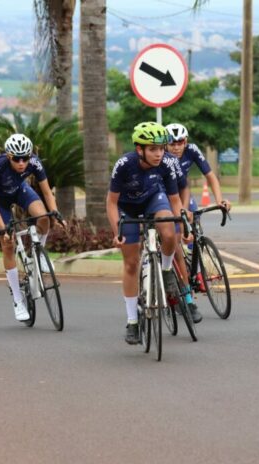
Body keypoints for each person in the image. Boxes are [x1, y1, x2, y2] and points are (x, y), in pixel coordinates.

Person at [106, 121, 191, 345]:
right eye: (153, 149)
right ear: (139, 149)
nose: (159, 153)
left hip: (154, 199)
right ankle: (132, 321)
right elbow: (111, 203)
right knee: (131, 263)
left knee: (169, 232)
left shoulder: (166, 164)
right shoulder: (124, 164)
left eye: (161, 148)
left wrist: (184, 227)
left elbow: (175, 201)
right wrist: (117, 232)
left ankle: (166, 270)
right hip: (126, 208)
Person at [0, 133, 61, 322]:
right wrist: (4, 230)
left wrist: (55, 212)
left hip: (20, 190)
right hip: (0, 202)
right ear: (8, 156)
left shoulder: (35, 162)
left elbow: (47, 192)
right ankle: (18, 300)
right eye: (16, 159)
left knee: (44, 218)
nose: (21, 163)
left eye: (25, 158)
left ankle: (39, 252)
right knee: (8, 244)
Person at [165, 122, 232, 322]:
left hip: (183, 193)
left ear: (186, 142)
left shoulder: (192, 150)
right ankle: (177, 265)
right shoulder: (162, 156)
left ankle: (196, 267)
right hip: (166, 195)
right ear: (165, 144)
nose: (176, 147)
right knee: (176, 233)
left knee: (195, 225)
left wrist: (219, 200)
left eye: (180, 142)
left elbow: (210, 176)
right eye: (172, 143)